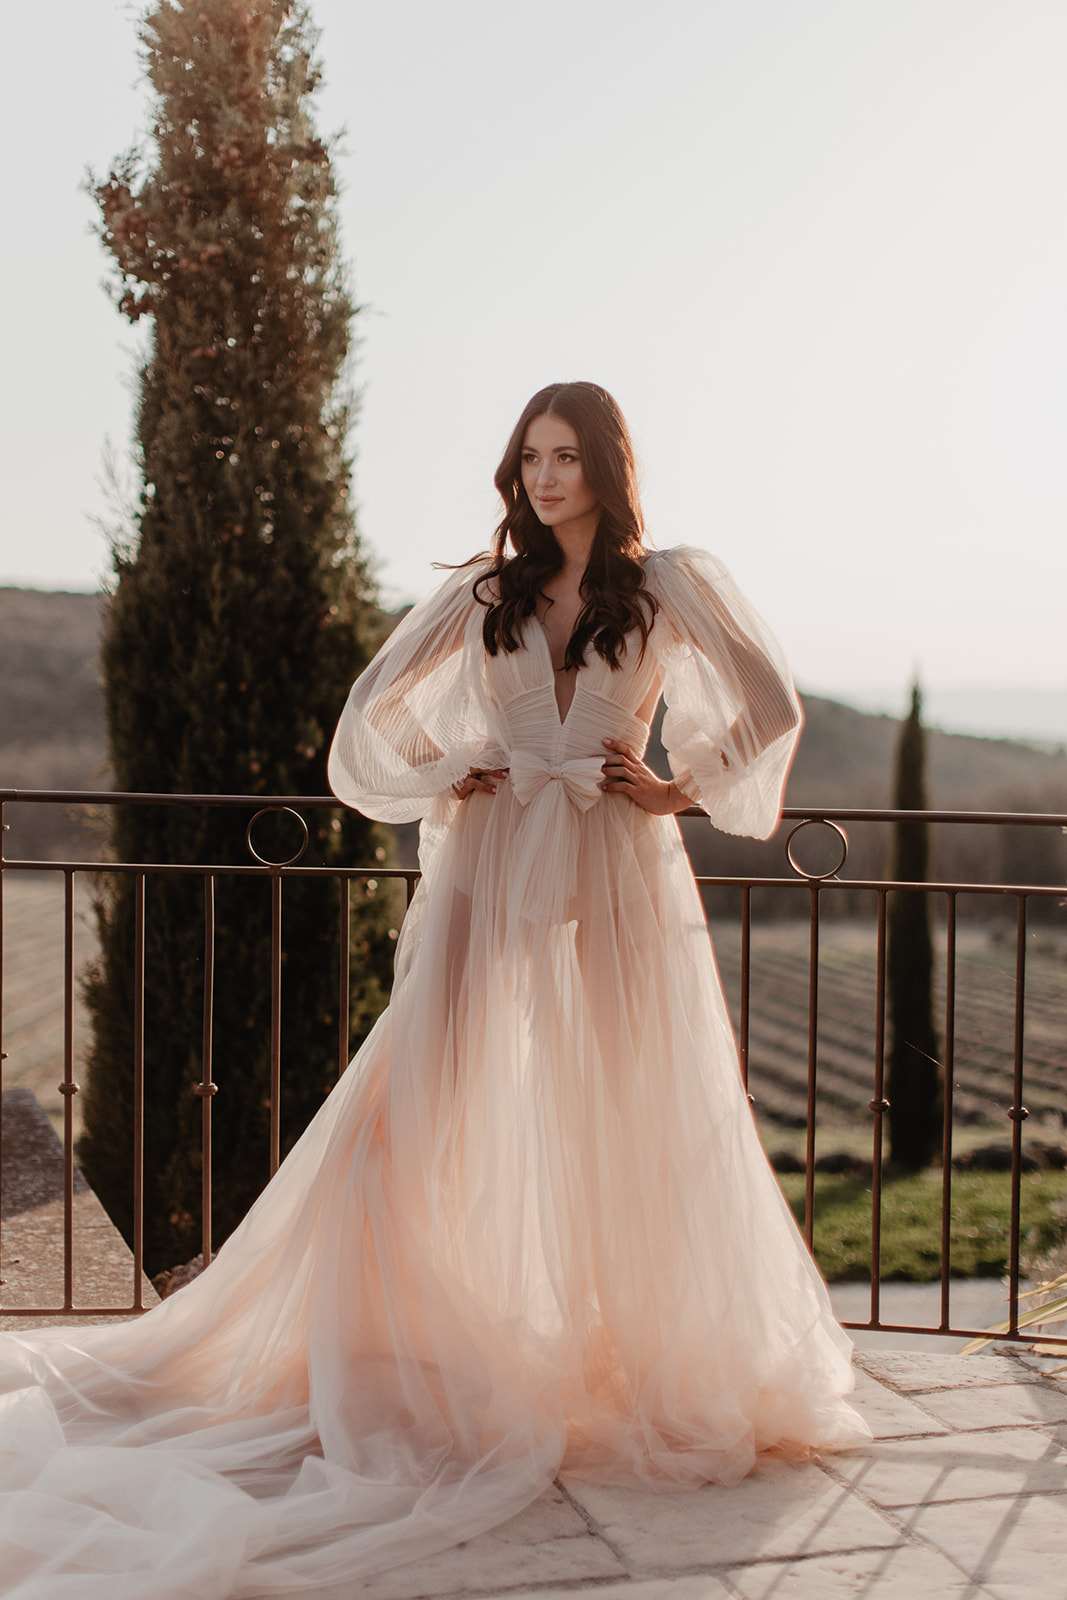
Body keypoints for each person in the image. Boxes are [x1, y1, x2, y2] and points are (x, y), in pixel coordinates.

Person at [0, 381, 873, 1596]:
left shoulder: (667, 581)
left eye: (567, 457)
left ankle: (652, 1357)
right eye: (530, 456)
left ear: (608, 468)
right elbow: (367, 724)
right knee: (420, 1086)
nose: (545, 477)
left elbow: (767, 705)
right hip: (496, 853)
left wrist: (680, 786)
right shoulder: (482, 589)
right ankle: (383, 1345)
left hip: (618, 860)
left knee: (638, 1098)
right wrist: (455, 762)